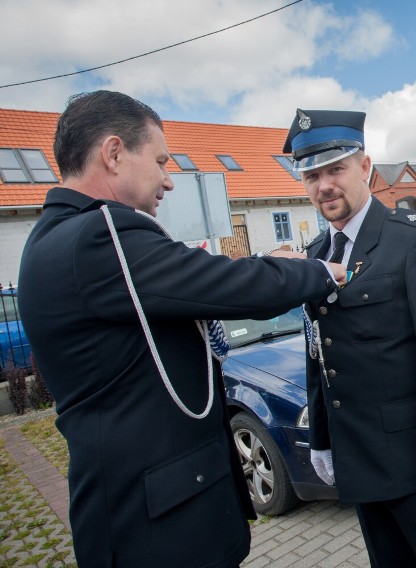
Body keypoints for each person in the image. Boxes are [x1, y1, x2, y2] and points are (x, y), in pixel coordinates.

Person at [17, 90, 346, 567]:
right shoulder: (98, 234)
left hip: (147, 511)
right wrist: (318, 272)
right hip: (162, 529)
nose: (169, 181)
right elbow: (215, 282)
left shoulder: (56, 235)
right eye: (160, 161)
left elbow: (181, 284)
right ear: (113, 154)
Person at [283, 109, 416, 567]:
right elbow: (320, 352)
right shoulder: (318, 253)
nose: (324, 185)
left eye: (335, 169)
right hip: (360, 461)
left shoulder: (414, 239)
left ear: (366, 167)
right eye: (312, 175)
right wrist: (322, 438)